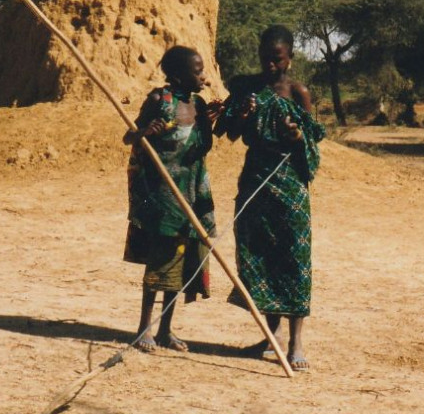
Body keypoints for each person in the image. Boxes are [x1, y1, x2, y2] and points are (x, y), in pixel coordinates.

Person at [211, 25, 325, 371]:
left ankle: (296, 342)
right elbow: (227, 132)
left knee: (293, 257)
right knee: (260, 255)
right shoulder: (247, 88)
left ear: (290, 58)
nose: (270, 66)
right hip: (255, 181)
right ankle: (269, 335)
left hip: (288, 186)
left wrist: (295, 135)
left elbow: (312, 141)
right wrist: (242, 115)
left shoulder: (297, 91)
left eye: (277, 60)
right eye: (265, 59)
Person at [124, 46, 216, 353]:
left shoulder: (197, 105)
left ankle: (165, 329)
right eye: (197, 71)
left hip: (191, 193)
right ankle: (143, 329)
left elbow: (200, 147)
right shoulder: (158, 100)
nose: (203, 76)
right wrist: (145, 132)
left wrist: (210, 122)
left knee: (178, 264)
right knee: (160, 262)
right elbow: (130, 137)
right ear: (178, 76)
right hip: (164, 196)